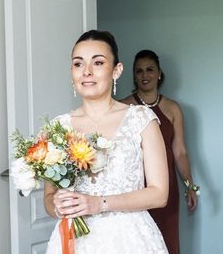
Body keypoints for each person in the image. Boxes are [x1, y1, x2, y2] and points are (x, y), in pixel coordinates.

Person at [44, 30, 169, 253]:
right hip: (75, 240)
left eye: (98, 63)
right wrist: (58, 205)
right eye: (78, 64)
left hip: (130, 240)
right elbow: (49, 198)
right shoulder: (58, 127)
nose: (87, 72)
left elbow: (159, 194)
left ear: (116, 70)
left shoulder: (141, 120)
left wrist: (99, 203)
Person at [120, 49, 199, 254]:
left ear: (159, 73)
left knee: (167, 241)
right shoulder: (123, 107)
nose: (145, 75)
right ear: (134, 75)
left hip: (167, 186)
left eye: (150, 70)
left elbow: (180, 151)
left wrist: (190, 186)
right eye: (139, 71)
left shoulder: (173, 108)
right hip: (135, 186)